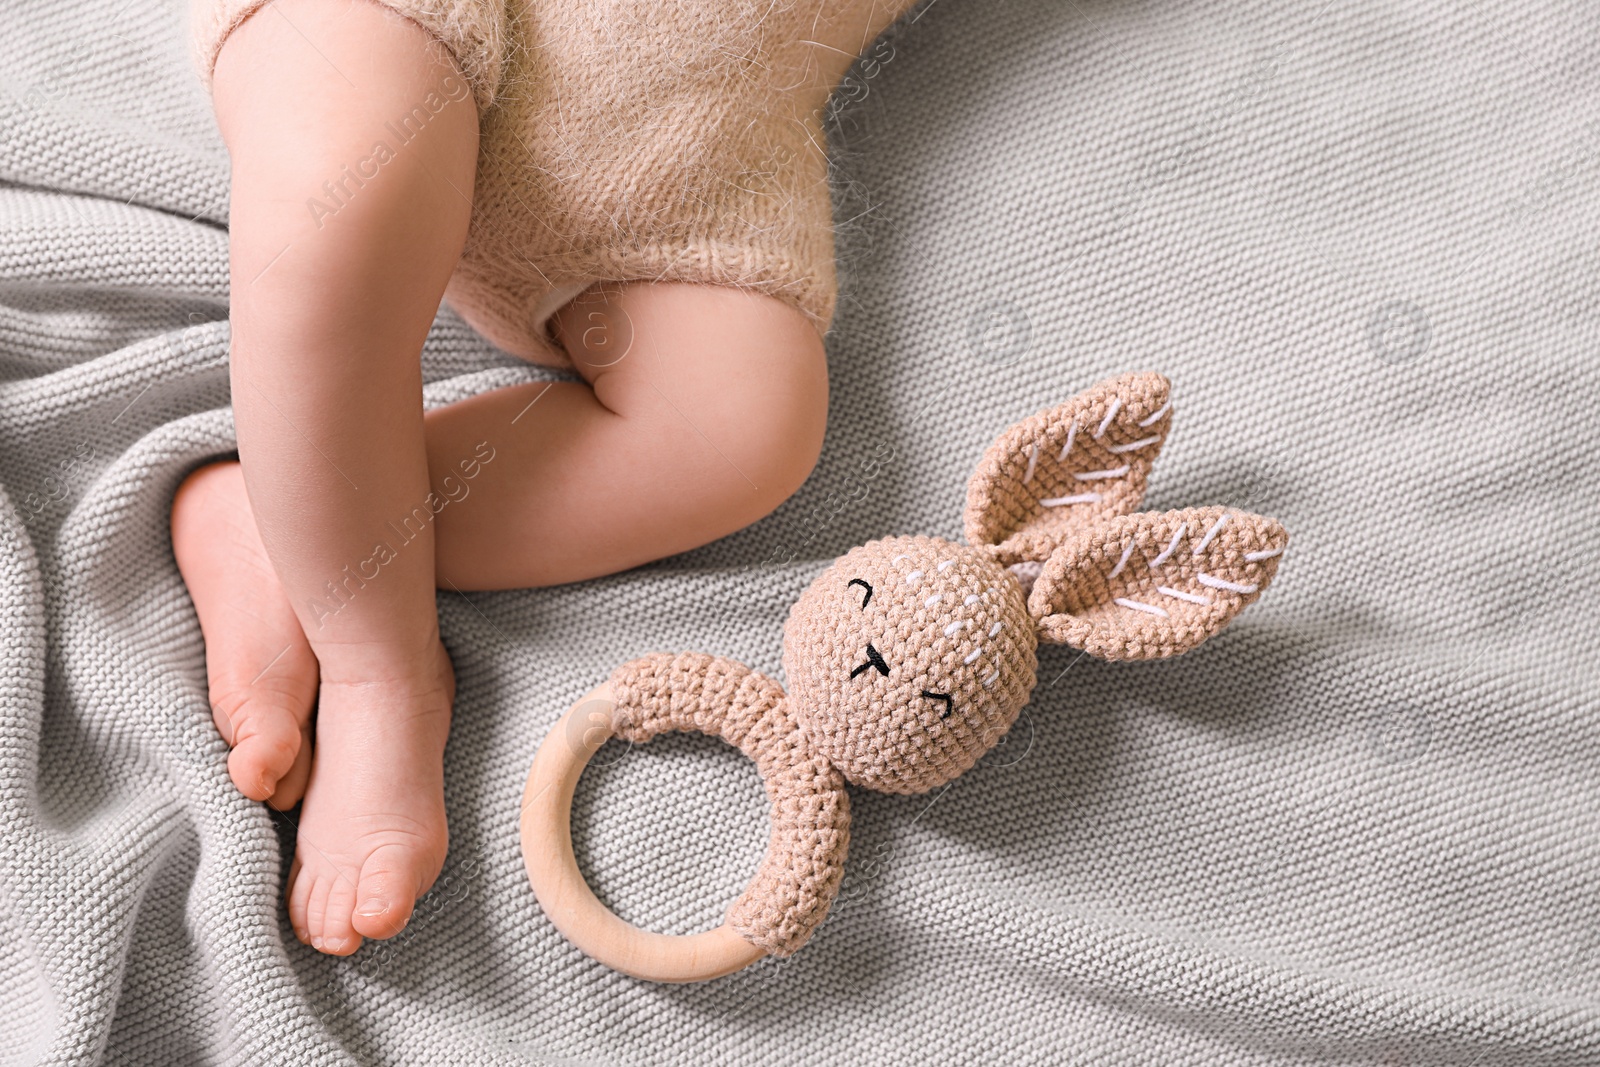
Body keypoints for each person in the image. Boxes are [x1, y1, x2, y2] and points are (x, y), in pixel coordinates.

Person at [173, 0, 917, 955]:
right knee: (338, 200)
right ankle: (379, 671)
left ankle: (283, 516)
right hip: (417, 23)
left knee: (746, 421)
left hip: (693, 142)